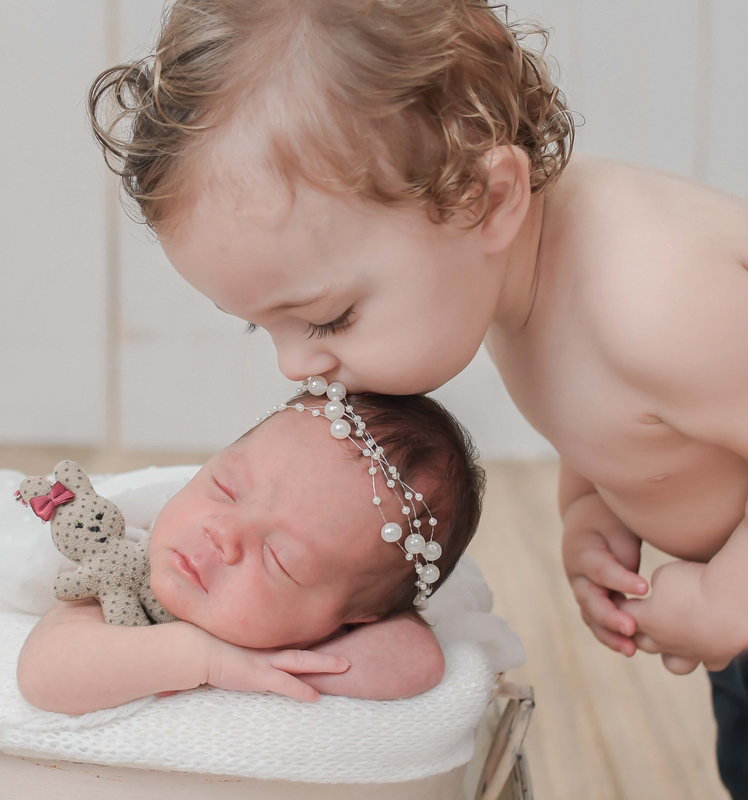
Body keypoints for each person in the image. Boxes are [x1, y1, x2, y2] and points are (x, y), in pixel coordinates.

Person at [88, 0, 748, 794]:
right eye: (263, 326)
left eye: (328, 317)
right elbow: (612, 411)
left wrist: (724, 600)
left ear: (486, 200)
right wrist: (593, 507)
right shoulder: (518, 275)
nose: (296, 365)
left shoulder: (653, 303)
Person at [18, 387, 484, 713]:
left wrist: (270, 665)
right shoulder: (127, 570)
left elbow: (419, 659)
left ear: (350, 619)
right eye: (226, 488)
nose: (222, 531)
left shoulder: (308, 630)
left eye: (280, 558)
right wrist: (206, 659)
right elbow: (45, 672)